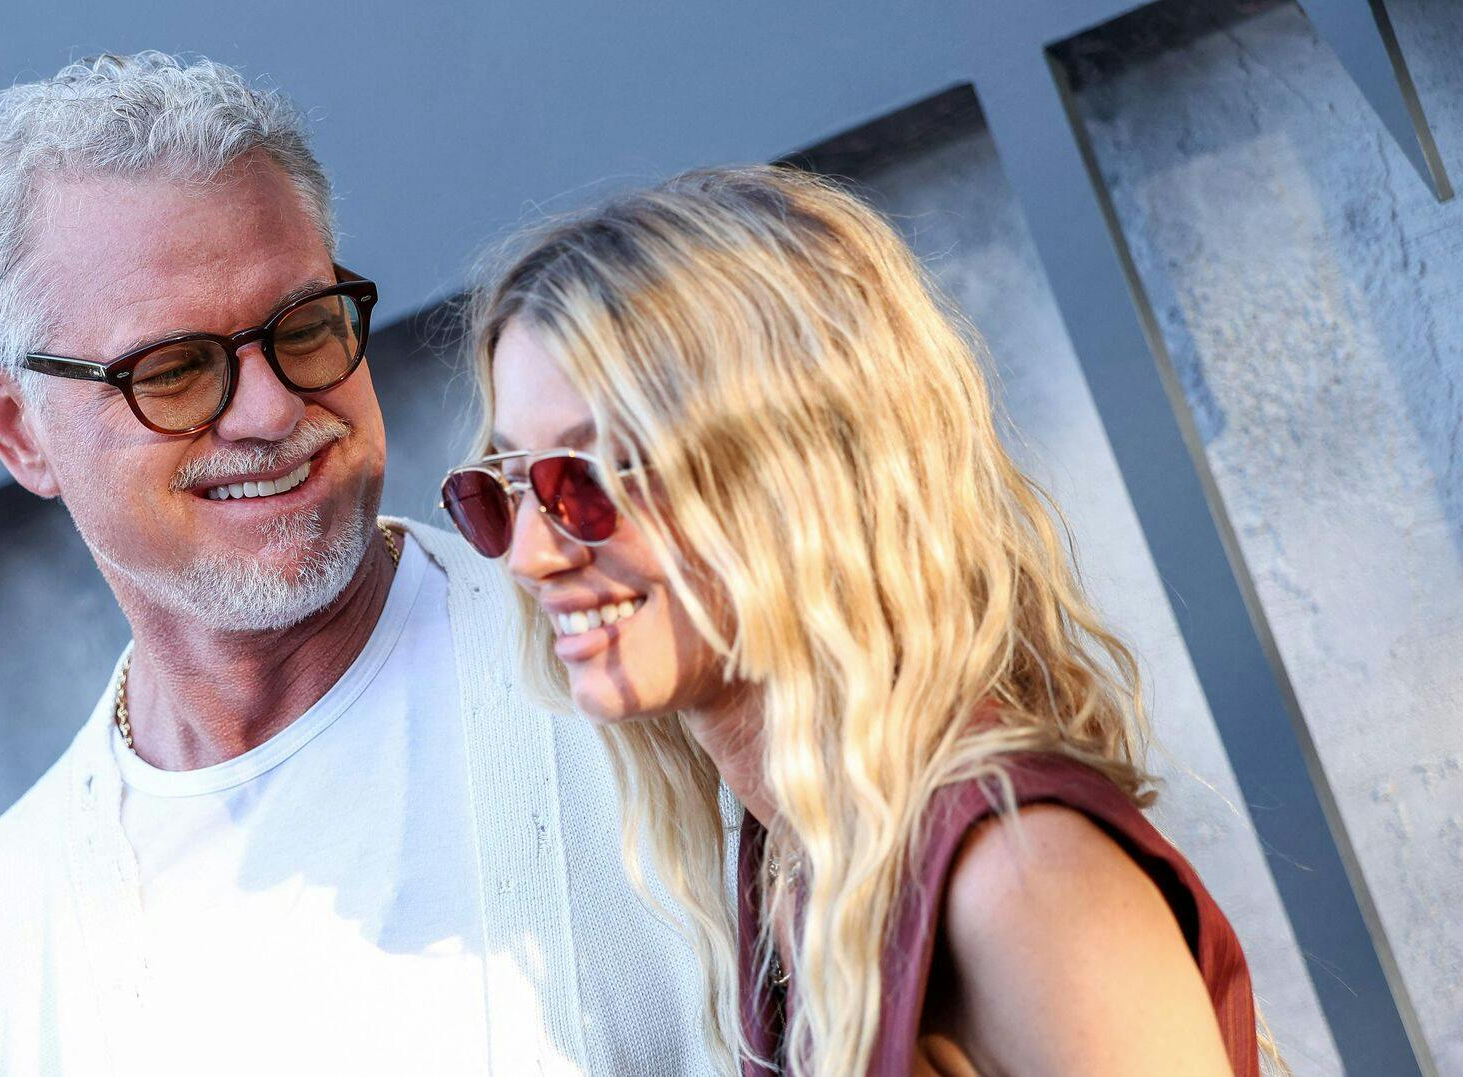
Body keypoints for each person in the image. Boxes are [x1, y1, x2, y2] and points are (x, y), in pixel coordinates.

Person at [0, 52, 719, 1075]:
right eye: (176, 370)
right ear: (17, 427)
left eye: (305, 327)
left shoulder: (632, 686)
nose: (273, 410)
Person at [443, 165, 1270, 1076]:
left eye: (589, 480)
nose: (529, 553)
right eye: (509, 485)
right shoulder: (795, 865)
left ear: (792, 480)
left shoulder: (1020, 882)